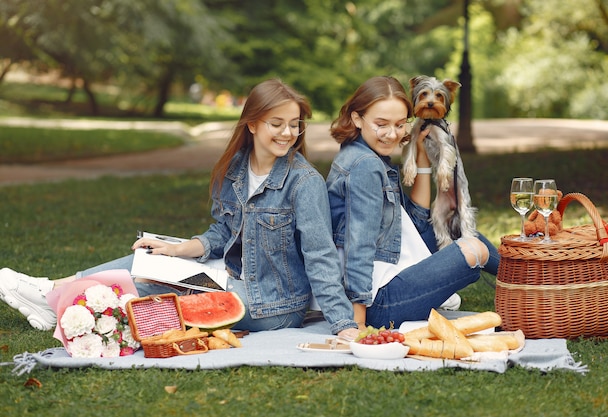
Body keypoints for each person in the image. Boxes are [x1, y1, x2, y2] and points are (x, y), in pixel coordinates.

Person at [0, 79, 359, 340]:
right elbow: (221, 232)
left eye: (295, 126)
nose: (287, 134)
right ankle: (54, 289)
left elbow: (320, 257)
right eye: (276, 124)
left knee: (163, 287)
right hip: (230, 274)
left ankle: (59, 299)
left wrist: (344, 325)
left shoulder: (304, 182)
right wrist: (176, 249)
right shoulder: (237, 167)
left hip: (275, 304)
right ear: (252, 124)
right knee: (145, 263)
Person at [325, 76, 500, 329]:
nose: (392, 134)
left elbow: (416, 219)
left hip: (388, 274)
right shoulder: (365, 166)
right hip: (380, 303)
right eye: (381, 124)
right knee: (474, 249)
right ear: (356, 118)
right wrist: (358, 324)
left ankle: (528, 277)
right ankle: (532, 281)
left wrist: (421, 158)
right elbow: (358, 244)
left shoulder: (365, 153)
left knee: (456, 228)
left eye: (399, 124)